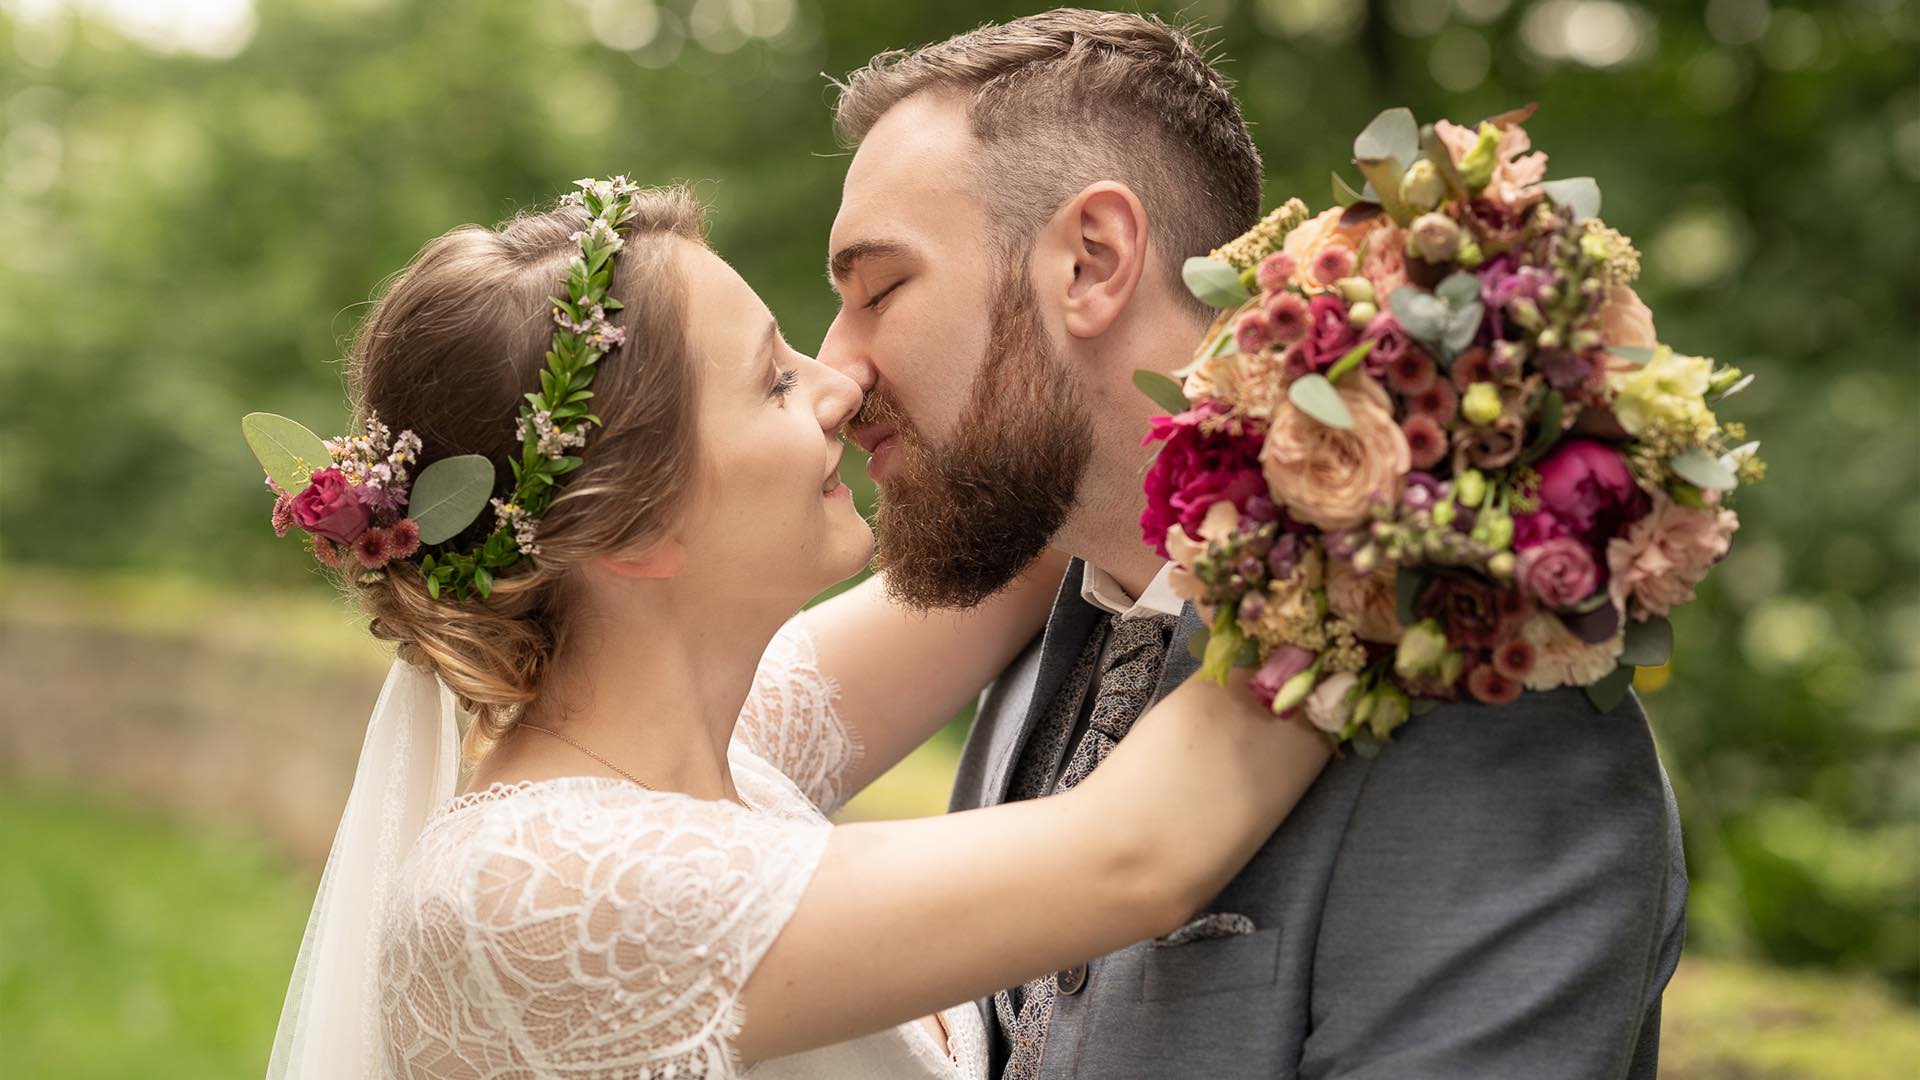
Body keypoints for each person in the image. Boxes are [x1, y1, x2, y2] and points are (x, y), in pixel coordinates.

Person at [263, 180, 1330, 1079]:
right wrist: (1387, 453)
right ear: (635, 532)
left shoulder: (713, 749)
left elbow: (1048, 513)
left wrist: (1071, 296)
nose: (841, 382)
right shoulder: (534, 883)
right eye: (775, 381)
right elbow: (1139, 856)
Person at [819, 9, 1688, 1078]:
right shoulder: (1024, 638)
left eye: (879, 290)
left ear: (1091, 261)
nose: (834, 373)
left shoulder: (1483, 702)